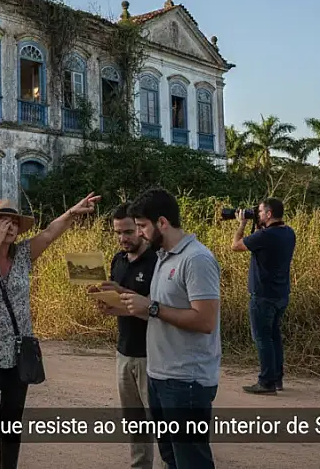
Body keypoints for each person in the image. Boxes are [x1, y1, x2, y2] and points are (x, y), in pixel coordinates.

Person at [0, 193, 101, 469]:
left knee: (11, 424)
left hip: (18, 353)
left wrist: (72, 213)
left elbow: (49, 234)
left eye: (14, 222)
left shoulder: (23, 254)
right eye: (3, 222)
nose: (11, 226)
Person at [119, 188, 221, 469]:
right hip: (160, 376)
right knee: (172, 460)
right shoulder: (164, 257)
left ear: (162, 222)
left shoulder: (196, 259)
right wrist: (122, 301)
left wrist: (151, 307)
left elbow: (205, 321)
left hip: (186, 381)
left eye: (142, 226)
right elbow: (161, 313)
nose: (140, 234)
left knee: (192, 462)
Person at [92, 202, 158, 469]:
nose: (123, 238)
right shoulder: (118, 260)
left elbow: (157, 308)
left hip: (152, 354)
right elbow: (123, 305)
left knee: (162, 424)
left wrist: (120, 292)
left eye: (129, 231)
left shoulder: (157, 262)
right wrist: (106, 304)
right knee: (135, 423)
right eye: (118, 232)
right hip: (124, 351)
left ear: (141, 228)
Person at [231, 197, 296, 395]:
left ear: (268, 214)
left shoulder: (265, 236)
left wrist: (242, 224)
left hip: (263, 295)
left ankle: (266, 382)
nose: (257, 215)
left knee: (262, 338)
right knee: (274, 336)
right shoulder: (288, 232)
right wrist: (258, 226)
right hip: (281, 294)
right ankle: (277, 379)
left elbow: (236, 246)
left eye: (259, 212)